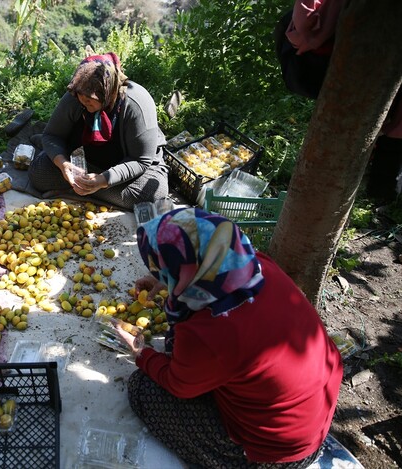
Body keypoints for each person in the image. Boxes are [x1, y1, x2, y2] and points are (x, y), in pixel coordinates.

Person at [115, 207, 343, 468]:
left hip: (277, 454)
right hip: (314, 417)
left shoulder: (207, 333)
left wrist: (141, 353)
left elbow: (177, 384)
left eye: (160, 267)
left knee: (144, 389)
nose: (158, 272)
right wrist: (169, 281)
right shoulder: (258, 265)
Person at [275, 0, 402, 202]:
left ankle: (380, 184)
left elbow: (304, 21)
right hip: (373, 84)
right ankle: (381, 185)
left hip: (320, 70)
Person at [28, 52, 170, 211]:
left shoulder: (136, 105)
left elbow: (140, 160)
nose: (84, 104)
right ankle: (90, 188)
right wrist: (64, 165)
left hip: (128, 162)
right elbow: (52, 135)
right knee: (39, 174)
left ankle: (86, 188)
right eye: (81, 100)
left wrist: (103, 181)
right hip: (88, 158)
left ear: (107, 92)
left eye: (89, 101)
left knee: (151, 195)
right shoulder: (77, 94)